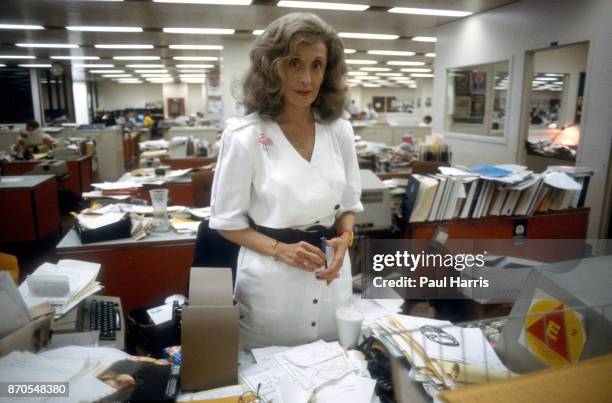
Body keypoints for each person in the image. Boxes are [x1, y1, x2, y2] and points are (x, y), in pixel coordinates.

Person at [209, 12, 363, 349]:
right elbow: (226, 222)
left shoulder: (339, 130)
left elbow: (349, 205)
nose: (306, 78)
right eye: (294, 63)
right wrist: (281, 250)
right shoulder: (245, 135)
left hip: (331, 280)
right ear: (272, 67)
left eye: (317, 65)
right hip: (271, 288)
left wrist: (346, 239)